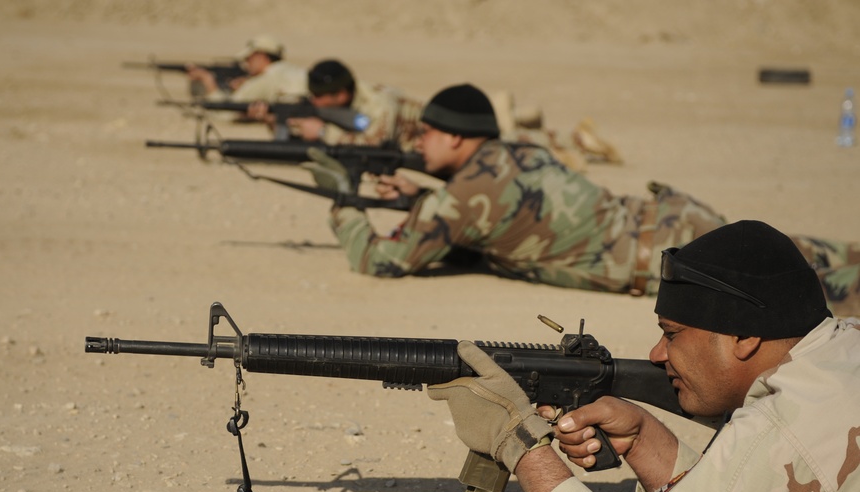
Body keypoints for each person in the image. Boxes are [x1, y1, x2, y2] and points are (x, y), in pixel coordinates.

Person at [425, 219, 860, 492]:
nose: (656, 353)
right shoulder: (841, 353)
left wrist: (519, 441)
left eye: (671, 334)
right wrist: (644, 441)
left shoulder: (787, 429)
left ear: (744, 337)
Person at [306, 83, 860, 317]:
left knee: (817, 291)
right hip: (671, 218)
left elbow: (379, 260)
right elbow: (499, 213)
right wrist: (418, 199)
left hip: (668, 258)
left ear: (454, 137)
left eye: (425, 132)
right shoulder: (512, 153)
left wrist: (341, 197)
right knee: (807, 250)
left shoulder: (462, 198)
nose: (416, 142)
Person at [296, 60, 620, 170]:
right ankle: (573, 137)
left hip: (451, 132)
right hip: (442, 134)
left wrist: (322, 133)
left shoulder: (380, 103)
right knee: (510, 133)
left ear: (339, 94)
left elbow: (375, 140)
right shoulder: (362, 96)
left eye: (320, 98)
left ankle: (568, 148)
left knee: (506, 142)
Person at [186, 34, 307, 104]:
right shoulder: (292, 70)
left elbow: (227, 113)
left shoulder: (265, 80)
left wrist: (208, 82)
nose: (246, 63)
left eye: (249, 58)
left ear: (261, 56)